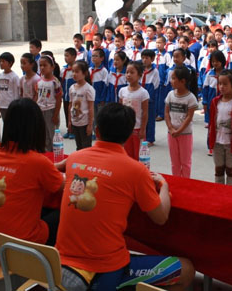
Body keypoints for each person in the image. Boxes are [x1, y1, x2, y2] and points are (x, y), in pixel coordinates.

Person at [56, 103, 194, 290]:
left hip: (60, 261)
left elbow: (56, 168)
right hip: (106, 268)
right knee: (186, 269)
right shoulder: (136, 170)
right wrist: (164, 185)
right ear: (129, 135)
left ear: (97, 130)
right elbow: (161, 217)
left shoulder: (75, 158)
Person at [0, 98, 64, 257]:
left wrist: (54, 167)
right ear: (36, 127)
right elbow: (63, 186)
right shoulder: (38, 162)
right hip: (18, 248)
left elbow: (24, 170)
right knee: (63, 213)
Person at [207, 70, 232, 185]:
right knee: (218, 170)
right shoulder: (214, 102)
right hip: (217, 142)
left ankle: (230, 191)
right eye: (220, 84)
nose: (221, 87)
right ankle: (219, 191)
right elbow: (211, 123)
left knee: (230, 170)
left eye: (225, 84)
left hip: (231, 144)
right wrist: (210, 139)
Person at [165, 66, 198, 178]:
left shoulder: (190, 98)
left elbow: (189, 117)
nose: (171, 81)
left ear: (183, 81)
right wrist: (171, 128)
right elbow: (166, 113)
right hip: (172, 134)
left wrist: (179, 130)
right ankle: (176, 182)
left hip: (185, 134)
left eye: (174, 78)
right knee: (174, 162)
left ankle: (185, 183)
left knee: (185, 162)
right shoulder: (170, 95)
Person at [119, 61, 149, 160]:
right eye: (127, 72)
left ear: (139, 75)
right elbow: (120, 110)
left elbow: (145, 113)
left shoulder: (143, 93)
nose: (128, 75)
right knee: (126, 155)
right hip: (125, 129)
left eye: (132, 72)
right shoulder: (122, 91)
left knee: (138, 155)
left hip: (137, 129)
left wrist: (143, 129)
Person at [36, 54, 63, 151]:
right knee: (44, 135)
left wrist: (55, 115)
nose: (42, 68)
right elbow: (38, 95)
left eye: (45, 65)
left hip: (51, 111)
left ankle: (55, 153)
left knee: (52, 134)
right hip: (41, 110)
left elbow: (59, 99)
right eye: (40, 65)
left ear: (52, 67)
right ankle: (47, 152)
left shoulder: (55, 82)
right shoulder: (39, 80)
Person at [69, 61, 95, 150]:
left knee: (86, 147)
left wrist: (90, 125)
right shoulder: (72, 88)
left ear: (85, 73)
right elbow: (70, 105)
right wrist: (69, 121)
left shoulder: (88, 89)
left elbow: (91, 108)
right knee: (78, 146)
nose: (74, 74)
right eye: (73, 71)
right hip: (75, 122)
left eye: (77, 71)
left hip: (84, 123)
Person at [140, 50, 159, 146]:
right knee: (141, 117)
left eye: (147, 58)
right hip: (140, 95)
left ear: (152, 59)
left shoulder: (155, 71)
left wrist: (149, 98)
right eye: (143, 58)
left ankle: (150, 139)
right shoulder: (140, 70)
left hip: (150, 97)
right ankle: (142, 137)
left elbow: (155, 85)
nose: (144, 60)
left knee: (150, 118)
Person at [0, 52, 21, 121]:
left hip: (11, 105)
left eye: (3, 61)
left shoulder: (14, 77)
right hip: (2, 105)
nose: (1, 63)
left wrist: (16, 105)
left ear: (10, 63)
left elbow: (17, 92)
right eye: (0, 61)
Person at [61, 48, 77, 139]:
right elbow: (61, 82)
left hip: (75, 97)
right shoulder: (64, 69)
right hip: (66, 96)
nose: (65, 58)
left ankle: (74, 130)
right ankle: (69, 129)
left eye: (67, 56)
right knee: (67, 112)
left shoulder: (76, 69)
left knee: (74, 113)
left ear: (74, 57)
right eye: (64, 56)